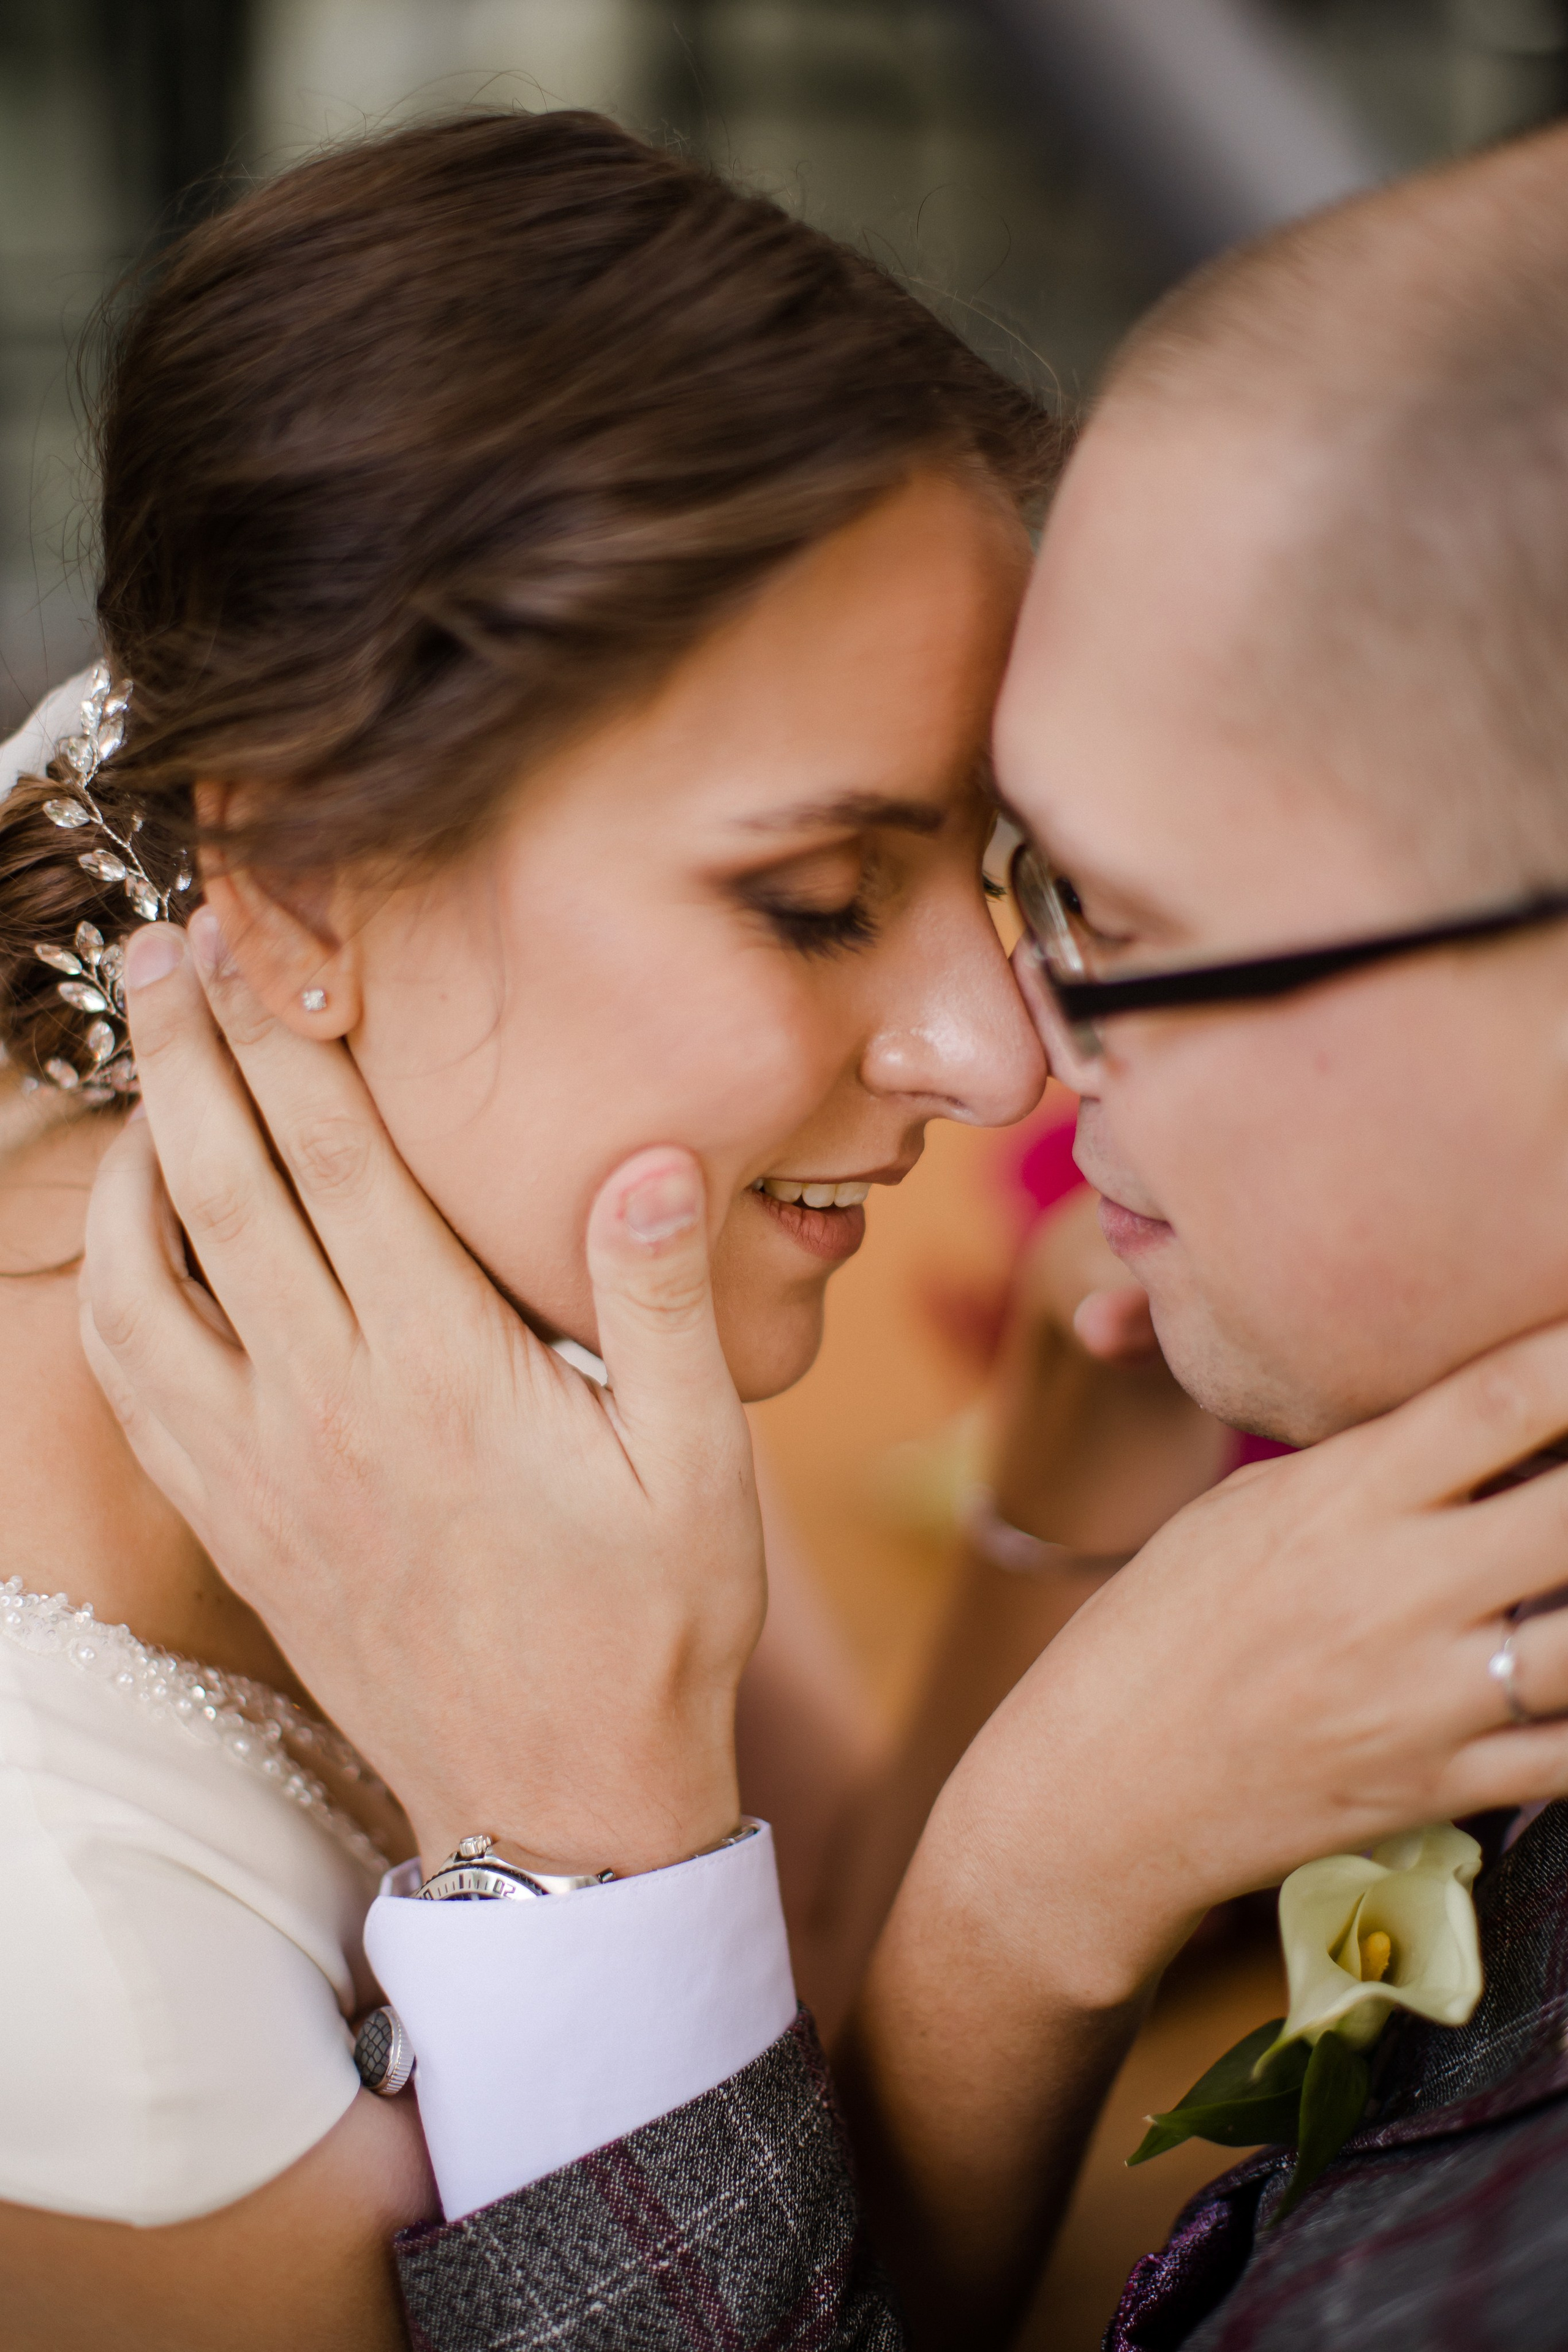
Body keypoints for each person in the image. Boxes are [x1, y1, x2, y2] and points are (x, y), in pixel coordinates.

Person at [58, 112, 1568, 2352]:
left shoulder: (511, 1333)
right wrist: (1028, 1860)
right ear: (285, 889)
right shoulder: (83, 1994)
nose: (1004, 1054)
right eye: (820, 900)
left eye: (1051, 891)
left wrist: (1032, 1802)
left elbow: (782, 2039)